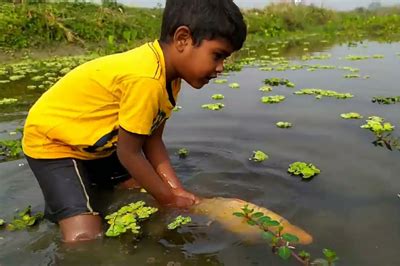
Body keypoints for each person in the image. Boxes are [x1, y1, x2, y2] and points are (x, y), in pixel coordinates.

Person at [21, 0, 247, 243]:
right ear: (182, 39)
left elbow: (153, 141)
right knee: (85, 235)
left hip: (94, 141)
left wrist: (176, 189)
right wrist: (169, 200)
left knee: (140, 184)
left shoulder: (170, 78)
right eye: (218, 55)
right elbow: (129, 153)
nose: (221, 68)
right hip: (54, 143)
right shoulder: (147, 79)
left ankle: (88, 182)